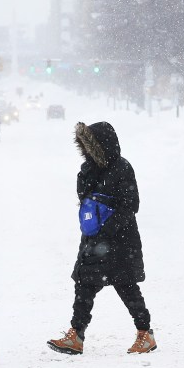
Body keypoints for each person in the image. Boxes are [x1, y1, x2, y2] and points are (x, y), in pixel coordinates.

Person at [48, 121, 156, 355]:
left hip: (119, 240)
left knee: (125, 285)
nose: (87, 150)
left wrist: (108, 227)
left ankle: (145, 334)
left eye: (91, 146)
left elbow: (131, 205)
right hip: (93, 238)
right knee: (84, 283)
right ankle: (76, 336)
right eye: (85, 146)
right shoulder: (88, 168)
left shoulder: (122, 168)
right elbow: (84, 198)